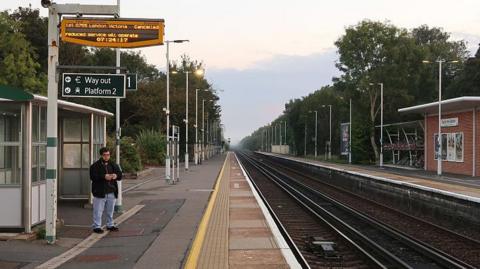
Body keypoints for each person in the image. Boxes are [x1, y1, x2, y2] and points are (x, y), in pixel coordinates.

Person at [89, 147, 122, 234]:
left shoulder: (113, 164)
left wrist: (116, 175)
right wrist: (104, 176)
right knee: (98, 210)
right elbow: (93, 177)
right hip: (100, 192)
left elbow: (120, 174)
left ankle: (110, 225)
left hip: (111, 191)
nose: (107, 157)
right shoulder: (95, 166)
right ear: (101, 155)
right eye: (104, 155)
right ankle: (97, 226)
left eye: (108, 155)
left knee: (110, 210)